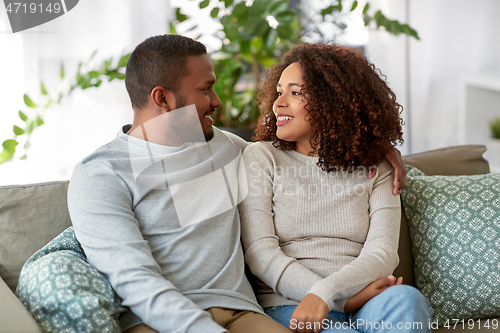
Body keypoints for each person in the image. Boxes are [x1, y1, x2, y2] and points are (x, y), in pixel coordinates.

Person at [67, 35, 407, 333]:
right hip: (157, 322)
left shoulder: (229, 149)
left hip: (243, 314)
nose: (217, 101)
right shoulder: (101, 174)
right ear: (162, 98)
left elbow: (302, 156)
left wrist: (376, 147)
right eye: (205, 89)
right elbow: (136, 282)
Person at [239, 43, 432, 333]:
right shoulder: (261, 158)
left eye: (295, 93)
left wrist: (328, 295)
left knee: (406, 300)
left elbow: (382, 254)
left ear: (333, 101)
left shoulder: (376, 167)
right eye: (279, 92)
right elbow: (260, 254)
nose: (278, 103)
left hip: (366, 300)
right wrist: (344, 302)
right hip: (291, 304)